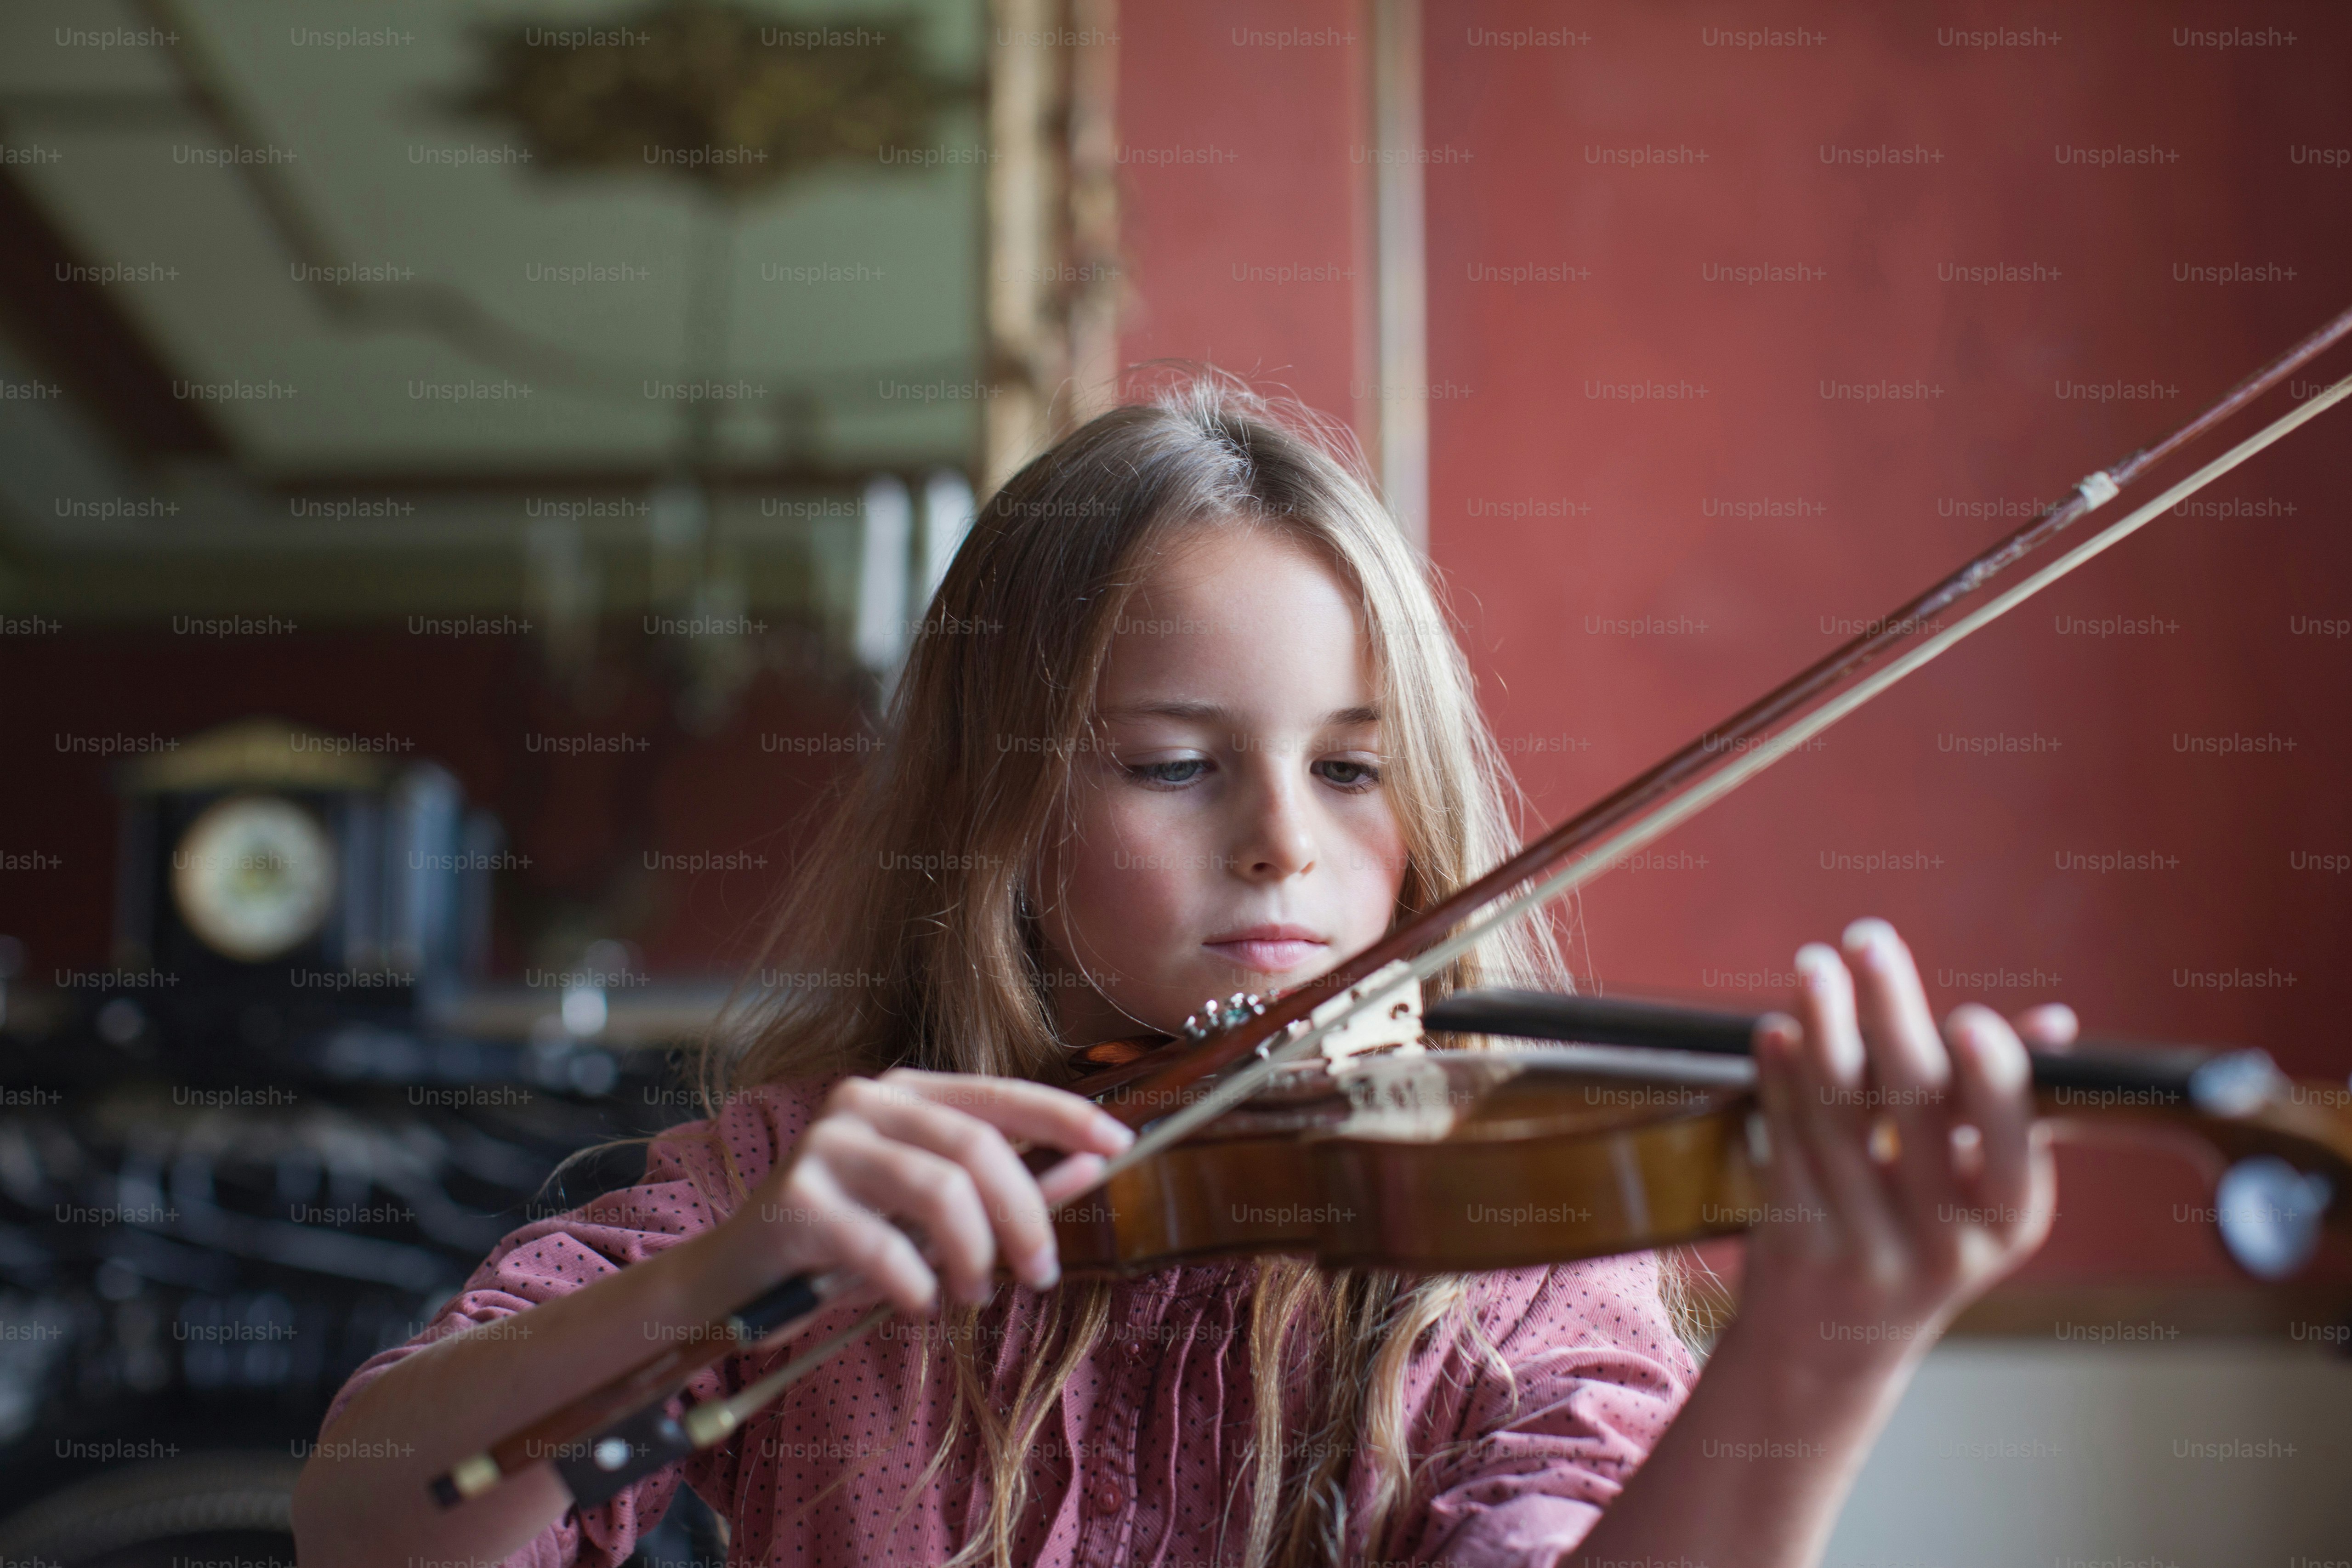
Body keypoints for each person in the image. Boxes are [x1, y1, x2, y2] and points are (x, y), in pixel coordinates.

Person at [292, 377, 2074, 1568]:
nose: (1286, 845)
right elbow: (373, 1526)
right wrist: (721, 1276)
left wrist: (1817, 1351)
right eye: (1170, 764)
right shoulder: (809, 1185)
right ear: (993, 809)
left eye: (1351, 769)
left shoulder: (1507, 1270)